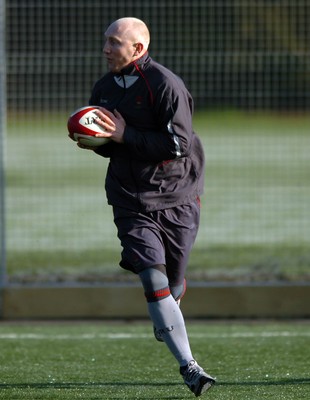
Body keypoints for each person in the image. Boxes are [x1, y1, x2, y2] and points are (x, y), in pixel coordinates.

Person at [76, 17, 215, 397]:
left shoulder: (166, 86)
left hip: (177, 196)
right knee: (152, 278)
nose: (106, 49)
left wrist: (123, 134)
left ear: (137, 49)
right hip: (130, 198)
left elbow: (177, 146)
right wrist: (94, 139)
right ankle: (189, 366)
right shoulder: (104, 88)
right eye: (105, 41)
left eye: (114, 43)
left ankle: (167, 308)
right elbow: (111, 145)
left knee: (171, 284)